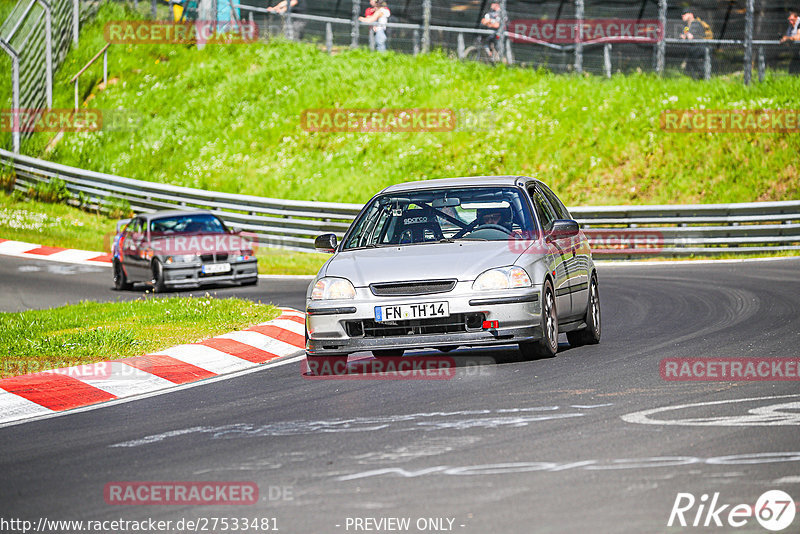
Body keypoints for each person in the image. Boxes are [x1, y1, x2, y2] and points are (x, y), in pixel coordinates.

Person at [679, 8, 709, 79]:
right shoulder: (687, 26)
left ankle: (704, 78)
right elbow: (685, 35)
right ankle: (695, 80)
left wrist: (687, 35)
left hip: (699, 48)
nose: (683, 16)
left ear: (690, 14)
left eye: (685, 14)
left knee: (698, 66)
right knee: (690, 67)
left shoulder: (696, 23)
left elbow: (691, 36)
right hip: (692, 49)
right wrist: (684, 35)